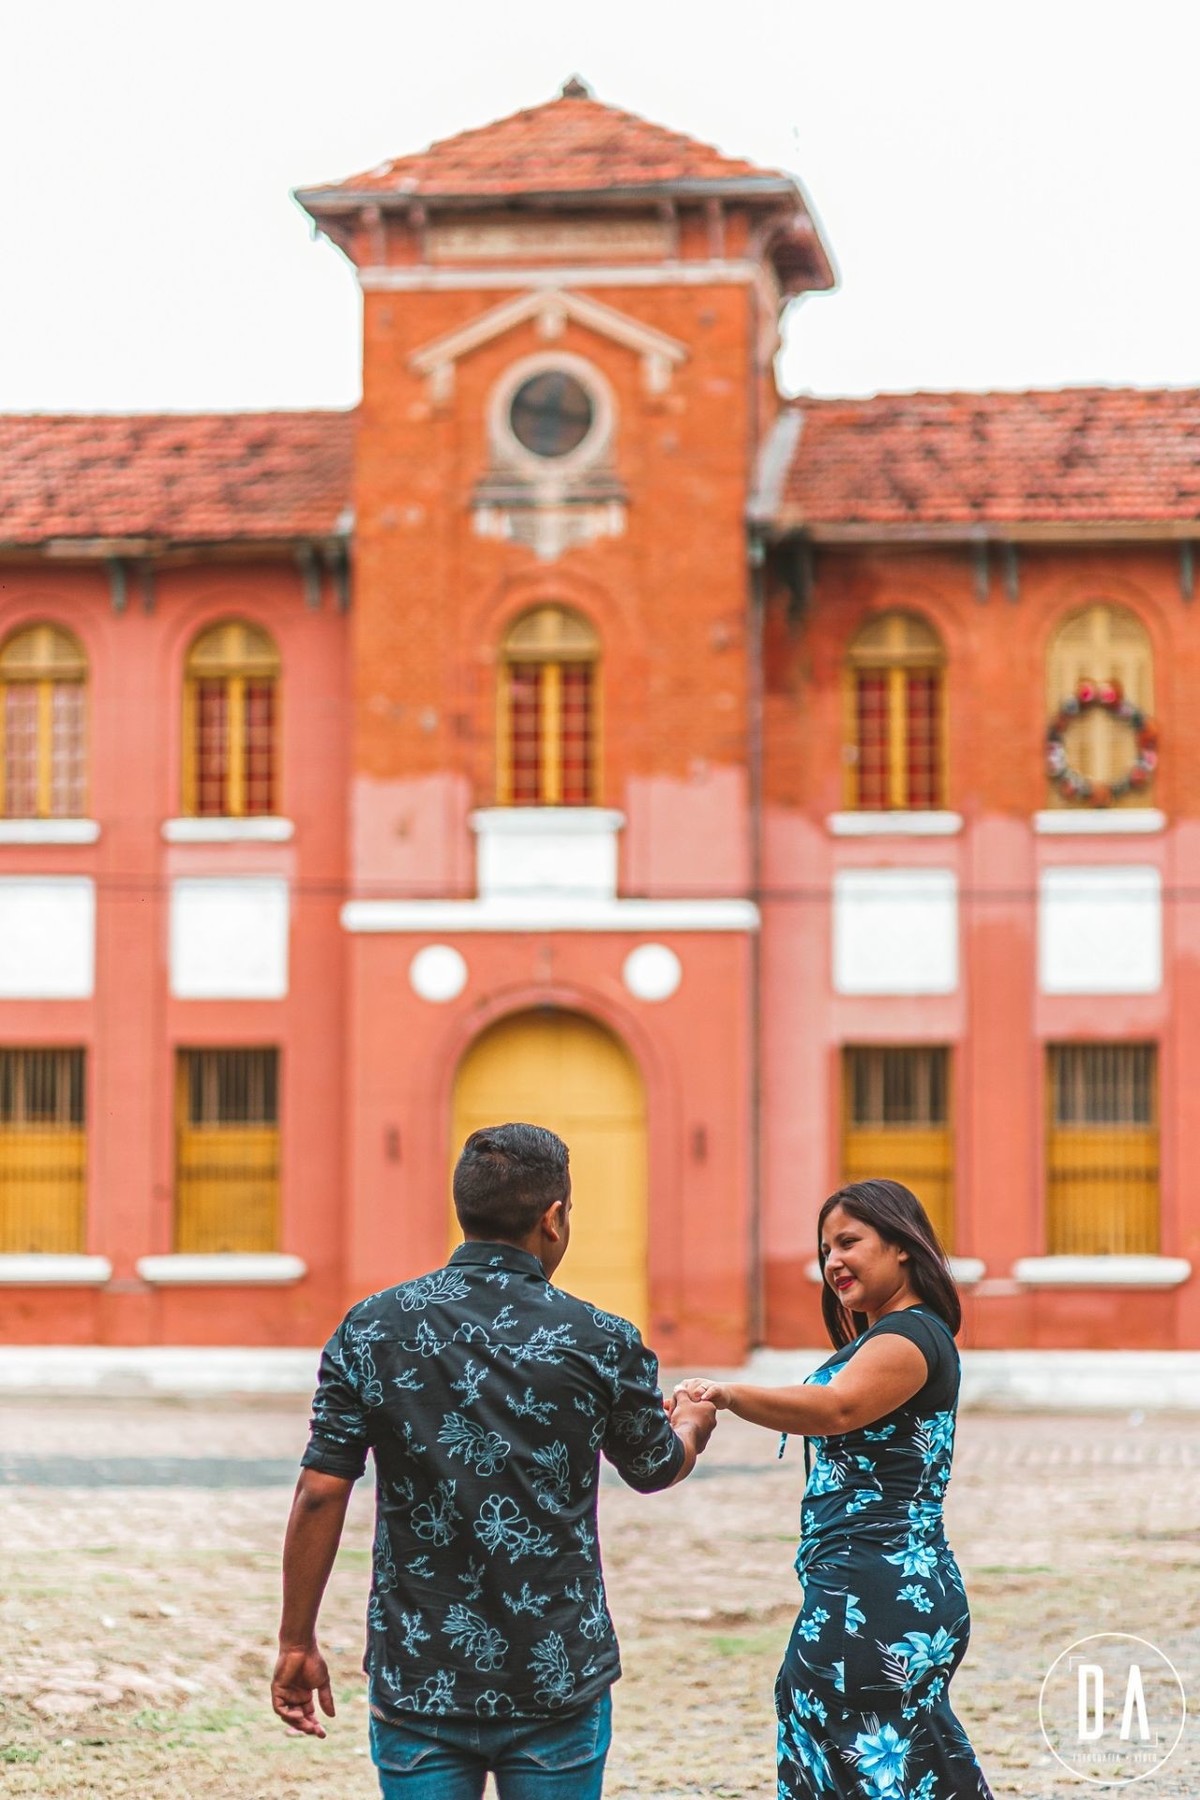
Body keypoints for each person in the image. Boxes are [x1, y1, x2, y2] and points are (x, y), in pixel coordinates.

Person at [272, 1120, 717, 1799]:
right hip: (556, 1677)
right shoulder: (600, 1340)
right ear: (554, 1217)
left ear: (465, 1210)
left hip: (421, 1674)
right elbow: (654, 1467)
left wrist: (296, 1641)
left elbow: (320, 1492)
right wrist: (691, 1423)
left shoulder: (372, 1328)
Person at [675, 1178, 994, 1800]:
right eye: (825, 1250)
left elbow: (836, 1408)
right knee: (899, 1758)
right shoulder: (886, 1338)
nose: (833, 1262)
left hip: (877, 1592)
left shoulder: (912, 1336)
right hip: (870, 1585)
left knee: (856, 1755)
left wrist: (729, 1393)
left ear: (902, 1245)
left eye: (849, 1242)